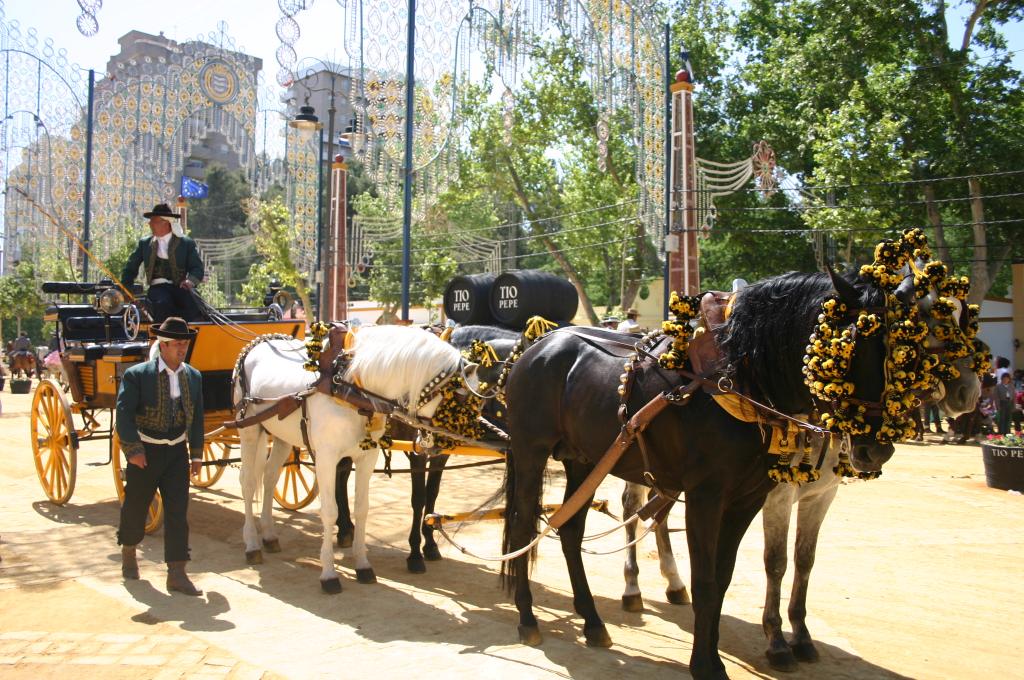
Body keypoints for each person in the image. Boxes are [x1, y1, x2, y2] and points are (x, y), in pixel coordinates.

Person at [116, 317, 204, 596]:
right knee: (136, 507)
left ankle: (177, 573)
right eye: (177, 344)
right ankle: (129, 551)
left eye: (185, 343)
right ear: (163, 346)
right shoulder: (138, 375)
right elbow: (124, 416)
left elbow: (197, 418)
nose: (182, 349)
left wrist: (197, 455)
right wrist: (134, 451)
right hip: (146, 453)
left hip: (177, 452)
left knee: (178, 513)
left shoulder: (193, 376)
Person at [121, 203, 204, 323]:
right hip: (157, 289)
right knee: (162, 303)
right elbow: (130, 268)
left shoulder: (186, 243)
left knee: (194, 301)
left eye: (154, 221)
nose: (150, 224)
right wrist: (126, 287)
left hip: (181, 287)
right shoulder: (145, 244)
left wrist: (190, 281)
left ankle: (195, 335)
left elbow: (197, 268)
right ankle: (163, 337)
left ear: (166, 222)